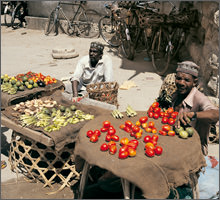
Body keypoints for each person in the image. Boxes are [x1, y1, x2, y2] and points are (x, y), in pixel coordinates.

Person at [172, 61, 219, 156]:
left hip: (194, 149)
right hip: (175, 141)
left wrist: (193, 115)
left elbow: (216, 114)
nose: (181, 83)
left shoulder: (199, 98)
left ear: (194, 82)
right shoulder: (175, 95)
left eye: (186, 80)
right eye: (179, 78)